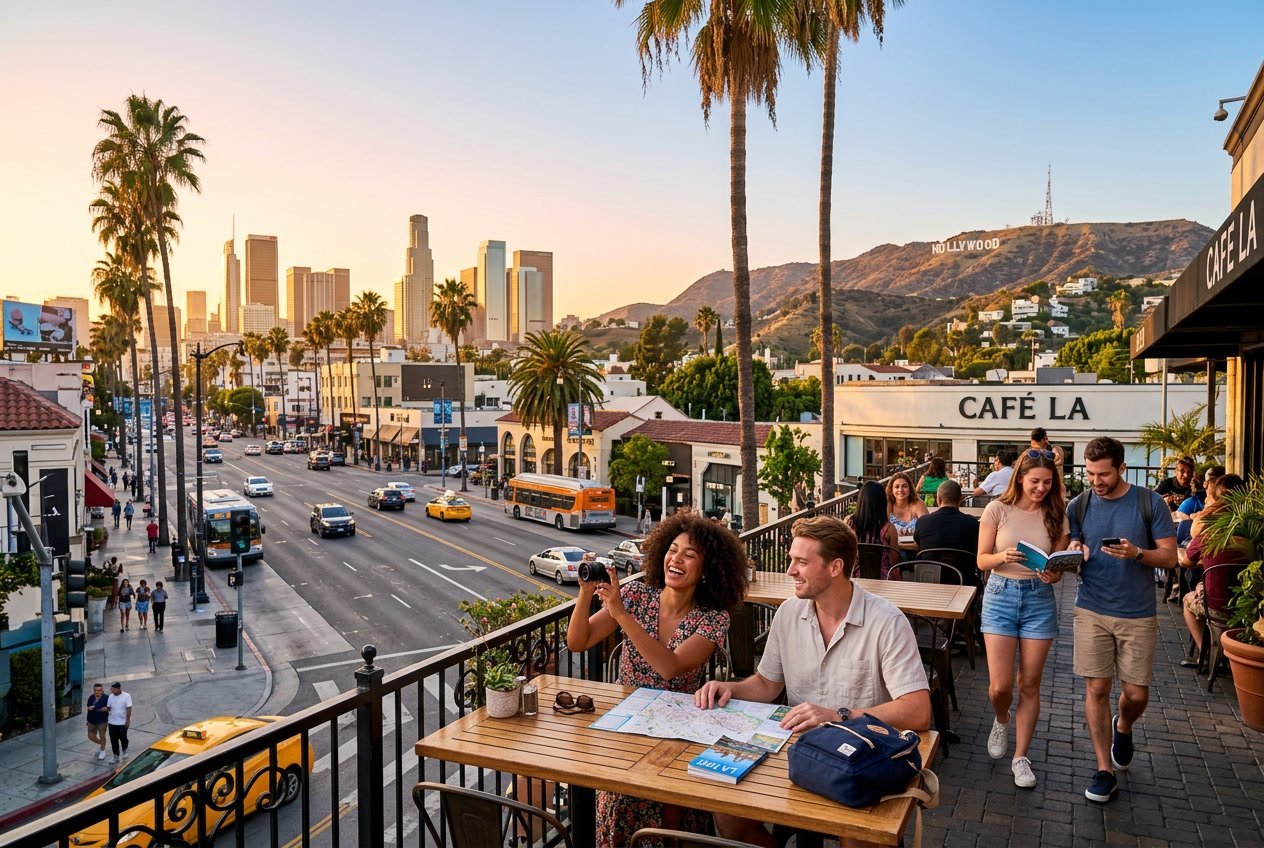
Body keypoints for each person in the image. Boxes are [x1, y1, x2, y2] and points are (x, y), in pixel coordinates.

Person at [695, 516, 930, 848]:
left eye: (801, 562)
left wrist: (839, 715)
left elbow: (918, 710)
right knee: (727, 814)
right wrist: (729, 688)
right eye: (792, 560)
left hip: (861, 758)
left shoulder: (887, 622)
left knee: (857, 836)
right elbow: (766, 683)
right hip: (798, 754)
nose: (790, 570)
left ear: (835, 567)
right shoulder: (789, 612)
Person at [566, 510, 748, 848]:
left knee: (670, 816)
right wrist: (585, 592)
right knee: (620, 800)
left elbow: (670, 667)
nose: (676, 559)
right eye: (672, 550)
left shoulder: (712, 618)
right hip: (628, 724)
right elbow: (578, 641)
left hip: (681, 730)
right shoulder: (637, 597)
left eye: (690, 555)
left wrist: (620, 613)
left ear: (707, 569)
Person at [1067, 437, 1176, 804]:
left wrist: (1137, 553)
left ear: (1121, 468)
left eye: (1103, 474)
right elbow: (1076, 545)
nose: (1096, 481)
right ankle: (1103, 770)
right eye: (1090, 473)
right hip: (1091, 608)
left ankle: (1124, 724)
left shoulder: (1150, 502)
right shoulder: (1078, 505)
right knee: (1096, 689)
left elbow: (1170, 558)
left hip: (1137, 612)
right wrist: (1072, 552)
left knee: (1135, 693)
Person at [976, 450, 1068, 788]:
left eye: (1047, 482)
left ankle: (1021, 757)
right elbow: (982, 560)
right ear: (1019, 479)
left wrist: (1053, 574)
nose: (1041, 488)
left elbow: (1057, 565)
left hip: (1039, 599)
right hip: (1000, 595)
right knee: (999, 687)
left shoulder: (1057, 513)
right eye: (1034, 481)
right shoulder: (996, 509)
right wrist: (1002, 556)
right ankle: (1001, 718)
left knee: (1029, 684)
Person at [1179, 474, 1250, 664]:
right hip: (1248, 607)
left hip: (1216, 607)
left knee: (1188, 598)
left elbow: (1185, 562)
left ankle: (1207, 652)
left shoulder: (1209, 533)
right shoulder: (1251, 531)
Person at [913, 480, 981, 584]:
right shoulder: (972, 523)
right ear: (961, 499)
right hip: (964, 582)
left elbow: (918, 545)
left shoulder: (923, 522)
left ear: (938, 499)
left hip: (929, 582)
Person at [843, 481, 900, 579]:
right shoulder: (889, 529)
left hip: (856, 577)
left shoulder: (849, 523)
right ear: (882, 502)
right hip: (883, 579)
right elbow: (895, 561)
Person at [886, 471, 928, 540]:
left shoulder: (917, 503)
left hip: (915, 547)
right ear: (891, 490)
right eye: (896, 487)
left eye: (904, 486)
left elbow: (927, 528)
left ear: (910, 488)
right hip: (892, 547)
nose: (900, 490)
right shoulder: (888, 504)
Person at [106, 681, 132, 765]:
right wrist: (106, 709)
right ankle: (116, 756)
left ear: (118, 689)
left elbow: (129, 708)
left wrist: (127, 720)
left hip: (122, 723)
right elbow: (109, 707)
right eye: (111, 689)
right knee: (113, 739)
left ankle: (125, 750)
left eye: (113, 689)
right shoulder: (110, 696)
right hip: (112, 722)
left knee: (123, 738)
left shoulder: (126, 696)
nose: (111, 690)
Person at [86, 682, 109, 760]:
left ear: (102, 690)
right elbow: (88, 707)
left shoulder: (106, 698)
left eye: (100, 690)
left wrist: (107, 708)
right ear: (94, 690)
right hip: (92, 721)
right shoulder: (91, 698)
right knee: (90, 736)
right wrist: (90, 708)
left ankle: (102, 751)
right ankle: (102, 744)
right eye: (96, 690)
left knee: (102, 736)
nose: (98, 692)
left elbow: (111, 706)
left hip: (102, 721)